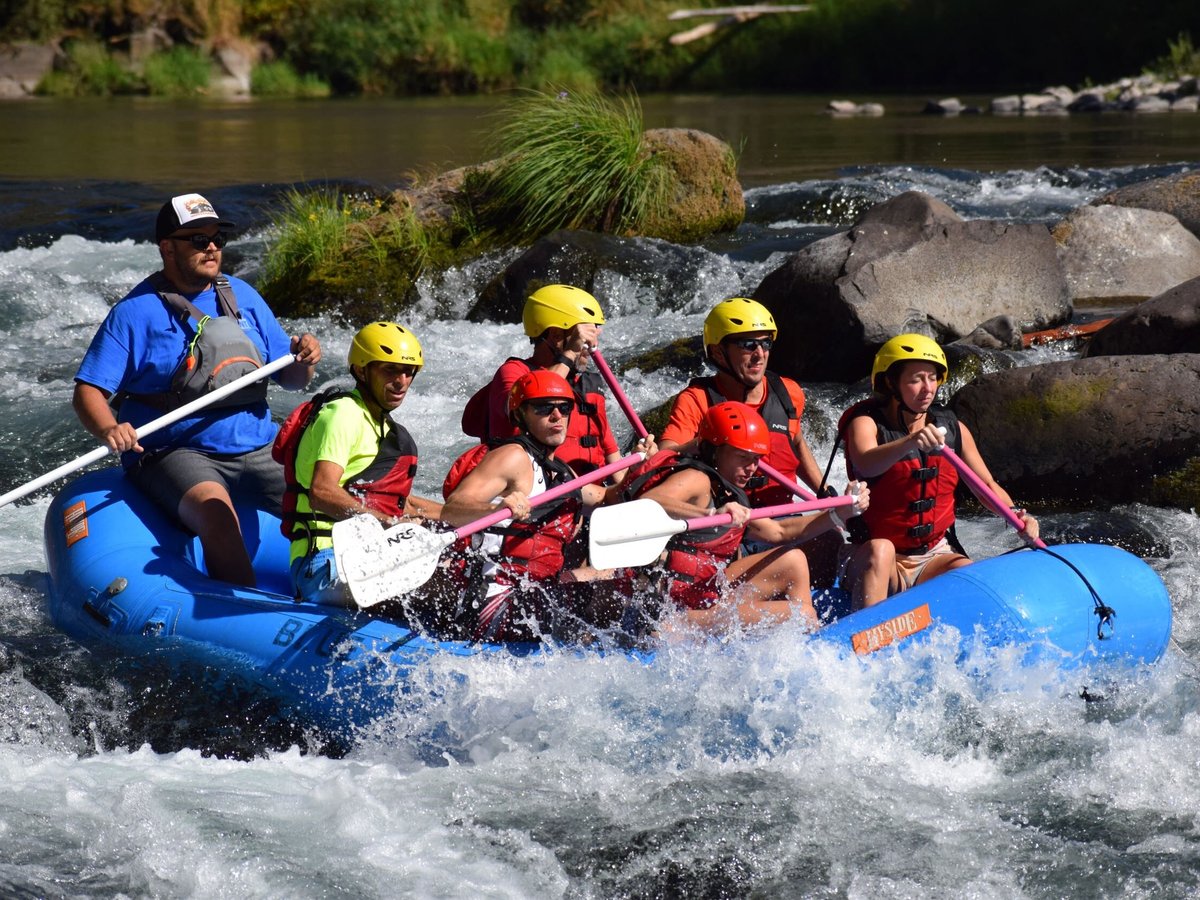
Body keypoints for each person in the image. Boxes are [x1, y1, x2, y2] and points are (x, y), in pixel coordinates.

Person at [73, 192, 321, 587]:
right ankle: (245, 612)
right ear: (167, 248)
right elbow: (88, 390)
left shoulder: (244, 297)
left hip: (259, 444)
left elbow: (290, 380)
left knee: (327, 497)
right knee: (215, 515)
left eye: (217, 240)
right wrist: (109, 428)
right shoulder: (133, 313)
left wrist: (303, 360)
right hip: (175, 450)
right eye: (198, 240)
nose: (211, 248)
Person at [625, 401, 868, 635]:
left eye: (755, 459)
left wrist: (839, 514)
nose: (752, 468)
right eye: (743, 457)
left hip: (703, 593)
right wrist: (711, 514)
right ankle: (803, 636)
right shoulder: (695, 479)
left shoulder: (729, 491)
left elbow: (780, 532)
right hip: (673, 612)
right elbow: (647, 503)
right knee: (801, 615)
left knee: (793, 560)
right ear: (716, 451)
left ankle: (800, 642)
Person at [839, 333, 1040, 609]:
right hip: (875, 558)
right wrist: (909, 441)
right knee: (880, 549)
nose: (927, 388)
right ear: (890, 382)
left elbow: (986, 487)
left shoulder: (953, 428)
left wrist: (1019, 515)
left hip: (932, 556)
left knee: (968, 573)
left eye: (932, 378)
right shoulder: (866, 423)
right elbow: (866, 462)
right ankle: (864, 637)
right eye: (915, 379)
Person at [277, 321, 444, 606]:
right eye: (389, 369)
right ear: (361, 370)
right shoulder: (344, 414)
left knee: (458, 575)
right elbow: (322, 492)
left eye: (408, 371)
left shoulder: (380, 423)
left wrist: (484, 515)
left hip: (366, 553)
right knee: (435, 591)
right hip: (323, 562)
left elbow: (399, 503)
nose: (401, 381)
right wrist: (388, 524)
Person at [441, 369, 616, 642]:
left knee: (615, 585)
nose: (557, 416)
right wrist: (495, 510)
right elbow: (452, 508)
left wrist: (650, 464)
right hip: (496, 596)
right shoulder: (512, 457)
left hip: (539, 592)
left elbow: (608, 497)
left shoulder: (564, 473)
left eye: (564, 408)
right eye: (544, 408)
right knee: (592, 633)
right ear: (521, 415)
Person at [462, 284, 648, 478]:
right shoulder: (513, 373)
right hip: (539, 494)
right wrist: (570, 353)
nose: (592, 346)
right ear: (556, 336)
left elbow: (615, 466)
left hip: (592, 496)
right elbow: (532, 397)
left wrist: (637, 469)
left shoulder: (589, 383)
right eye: (584, 338)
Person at [659, 297, 824, 505]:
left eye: (766, 343)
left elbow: (796, 442)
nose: (760, 354)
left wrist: (824, 491)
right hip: (726, 517)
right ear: (719, 352)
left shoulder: (788, 392)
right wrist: (704, 443)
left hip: (782, 516)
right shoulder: (697, 399)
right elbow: (664, 457)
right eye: (748, 345)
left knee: (836, 537)